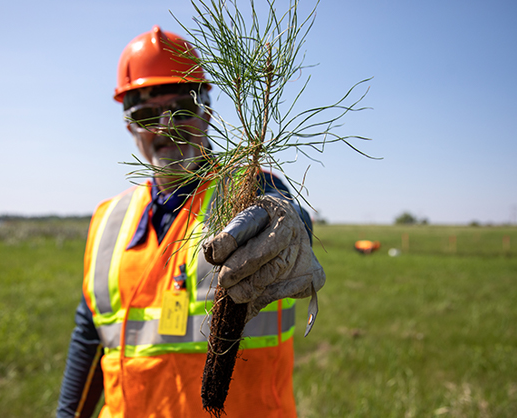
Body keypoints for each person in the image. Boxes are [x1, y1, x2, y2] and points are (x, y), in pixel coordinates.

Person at [56, 25, 325, 418]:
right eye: (147, 114)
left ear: (207, 112)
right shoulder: (108, 219)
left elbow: (286, 217)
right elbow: (90, 333)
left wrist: (289, 222)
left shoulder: (251, 190)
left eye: (181, 109)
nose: (166, 126)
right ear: (130, 126)